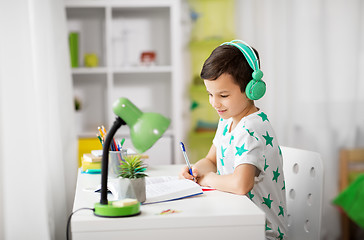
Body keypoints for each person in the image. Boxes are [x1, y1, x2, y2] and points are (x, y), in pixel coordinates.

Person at [180, 40, 287, 239]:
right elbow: (211, 161)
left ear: (250, 89)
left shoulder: (252, 128)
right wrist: (196, 170)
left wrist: (208, 179)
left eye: (223, 95)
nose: (214, 103)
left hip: (262, 231)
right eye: (210, 94)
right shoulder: (227, 120)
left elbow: (241, 184)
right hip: (238, 219)